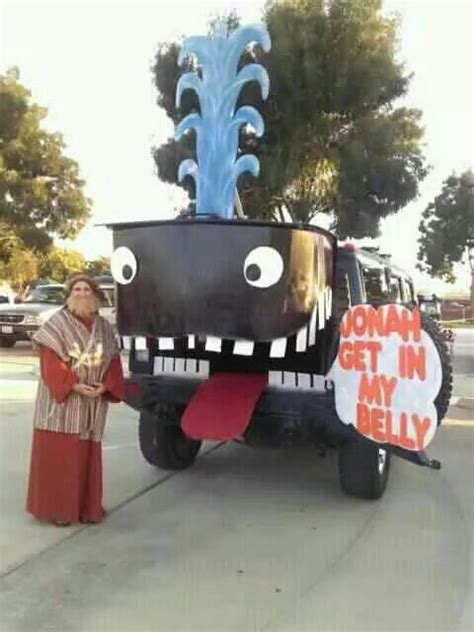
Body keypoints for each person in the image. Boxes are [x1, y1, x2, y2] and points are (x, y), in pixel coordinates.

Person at [26, 274, 124, 526]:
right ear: (69, 295)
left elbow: (113, 360)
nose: (81, 293)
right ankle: (59, 510)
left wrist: (106, 385)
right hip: (62, 402)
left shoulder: (104, 327)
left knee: (86, 454)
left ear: (94, 294)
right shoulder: (57, 323)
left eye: (86, 289)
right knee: (62, 456)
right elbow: (49, 360)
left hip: (93, 400)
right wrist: (73, 384)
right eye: (77, 290)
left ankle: (87, 507)